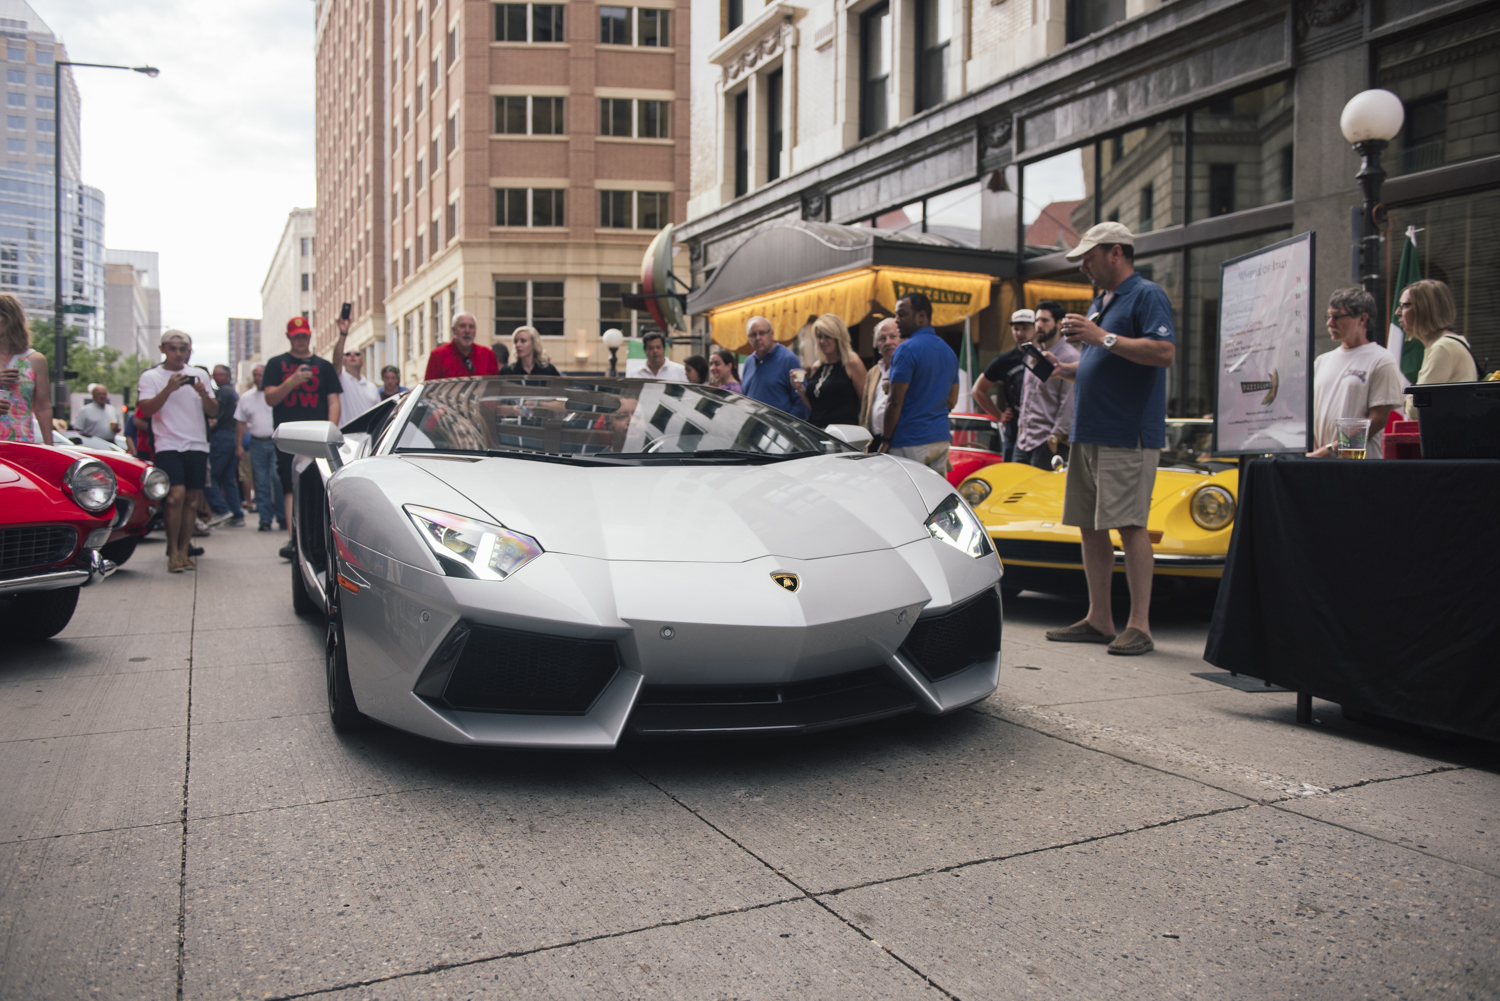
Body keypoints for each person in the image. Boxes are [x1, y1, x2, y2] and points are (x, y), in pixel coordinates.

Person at [1040, 222, 1175, 656]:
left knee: (1130, 524)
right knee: (1090, 524)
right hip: (1091, 431)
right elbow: (1107, 359)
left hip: (1125, 432)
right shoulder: (1103, 299)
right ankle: (1099, 618)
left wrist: (1101, 336)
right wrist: (1067, 368)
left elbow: (1163, 352)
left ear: (1116, 253)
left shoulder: (1147, 294)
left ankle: (1140, 625)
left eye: (1089, 257)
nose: (1083, 266)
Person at [135, 330, 218, 572]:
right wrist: (168, 389)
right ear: (162, 349)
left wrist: (203, 393)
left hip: (197, 443)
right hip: (167, 443)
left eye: (183, 349)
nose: (178, 354)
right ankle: (172, 551)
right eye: (173, 348)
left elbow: (213, 411)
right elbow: (146, 410)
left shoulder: (199, 374)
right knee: (175, 495)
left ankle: (184, 550)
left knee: (192, 500)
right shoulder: (151, 376)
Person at [262, 316, 342, 559]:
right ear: (289, 337)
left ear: (309, 336)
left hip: (317, 437)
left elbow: (333, 400)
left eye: (304, 336)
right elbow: (270, 398)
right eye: (296, 336)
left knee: (322, 486)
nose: (300, 340)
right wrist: (292, 381)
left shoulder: (324, 366)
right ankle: (294, 541)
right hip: (288, 436)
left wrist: (329, 431)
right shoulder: (276, 364)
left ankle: (320, 539)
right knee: (290, 487)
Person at [1308, 287, 1403, 459]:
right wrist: (1318, 453)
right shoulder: (1322, 361)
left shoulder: (1381, 359)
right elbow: (1312, 415)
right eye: (1328, 316)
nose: (1330, 323)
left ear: (1362, 319)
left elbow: (1379, 418)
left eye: (1337, 317)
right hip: (1321, 464)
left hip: (1359, 466)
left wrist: (1331, 450)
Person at [879, 292, 959, 473]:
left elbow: (895, 401)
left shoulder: (906, 349)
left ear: (921, 316)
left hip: (910, 440)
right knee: (934, 497)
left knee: (907, 498)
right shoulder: (948, 351)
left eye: (901, 314)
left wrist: (886, 439)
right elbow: (952, 400)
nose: (897, 319)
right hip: (940, 438)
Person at [1398, 279, 1479, 418]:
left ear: (1425, 309)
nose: (1397, 312)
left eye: (1405, 306)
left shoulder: (1443, 347)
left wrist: (1409, 400)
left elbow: (1416, 410)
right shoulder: (1445, 344)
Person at [1013, 300, 1078, 469]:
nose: (1039, 325)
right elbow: (1026, 394)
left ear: (1059, 323)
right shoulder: (1034, 354)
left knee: (1041, 493)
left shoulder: (1069, 357)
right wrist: (1021, 427)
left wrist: (1054, 438)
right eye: (1037, 320)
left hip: (1046, 441)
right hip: (1024, 440)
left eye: (1045, 321)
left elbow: (1068, 402)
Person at [972, 310, 1033, 461]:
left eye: (1025, 328)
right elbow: (978, 390)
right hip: (1013, 430)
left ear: (1035, 328)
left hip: (1039, 429)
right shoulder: (1005, 360)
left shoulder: (1044, 356)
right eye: (1016, 329)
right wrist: (998, 415)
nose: (1020, 333)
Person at [234, 364, 283, 532]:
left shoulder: (277, 394)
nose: (258, 378)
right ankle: (265, 519)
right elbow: (240, 423)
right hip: (256, 443)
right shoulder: (246, 398)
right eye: (255, 375)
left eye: (261, 374)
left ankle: (283, 516)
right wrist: (239, 446)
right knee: (261, 482)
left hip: (277, 442)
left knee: (278, 479)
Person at [795, 313, 867, 428]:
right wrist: (800, 389)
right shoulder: (817, 367)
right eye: (819, 336)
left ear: (838, 337)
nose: (822, 341)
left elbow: (865, 403)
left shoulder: (853, 363)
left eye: (827, 336)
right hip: (818, 432)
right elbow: (815, 406)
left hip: (844, 435)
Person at [0, 293, 53, 444]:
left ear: (9, 320)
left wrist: (51, 448)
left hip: (22, 445)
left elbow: (43, 407)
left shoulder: (35, 360)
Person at [203, 364, 245, 527]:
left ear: (226, 376)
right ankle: (236, 514)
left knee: (210, 476)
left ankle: (221, 510)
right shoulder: (232, 392)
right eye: (213, 375)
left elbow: (216, 413)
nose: (214, 377)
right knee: (228, 478)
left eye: (217, 375)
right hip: (231, 436)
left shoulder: (223, 393)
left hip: (222, 436)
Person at [739, 316, 801, 413]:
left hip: (779, 426)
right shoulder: (748, 362)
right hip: (752, 425)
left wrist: (786, 427)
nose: (758, 338)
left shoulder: (790, 360)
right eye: (753, 335)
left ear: (771, 334)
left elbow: (802, 402)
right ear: (749, 338)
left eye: (762, 333)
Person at [329, 317, 382, 418]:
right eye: (348, 354)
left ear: (362, 362)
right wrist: (343, 334)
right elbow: (336, 360)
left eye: (356, 354)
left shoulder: (372, 387)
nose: (352, 355)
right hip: (345, 433)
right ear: (343, 362)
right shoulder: (340, 379)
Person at [860, 318, 901, 448]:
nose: (888, 342)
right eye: (882, 338)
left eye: (893, 336)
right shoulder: (873, 372)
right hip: (873, 440)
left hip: (898, 440)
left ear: (903, 340)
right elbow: (865, 410)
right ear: (877, 345)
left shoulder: (908, 368)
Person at [425, 312, 499, 379]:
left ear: (475, 330)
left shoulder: (488, 354)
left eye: (471, 326)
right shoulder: (438, 355)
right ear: (453, 330)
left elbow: (494, 388)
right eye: (462, 326)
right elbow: (429, 389)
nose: (467, 331)